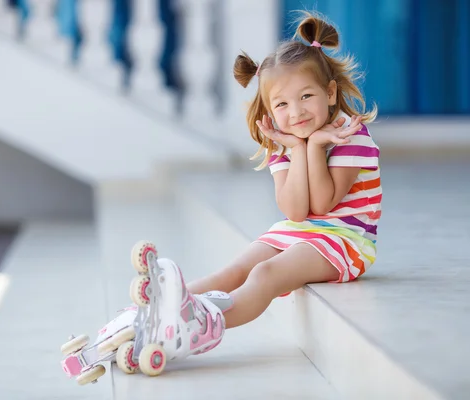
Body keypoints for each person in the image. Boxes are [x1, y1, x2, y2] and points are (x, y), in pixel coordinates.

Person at [66, 10, 382, 376]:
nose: (295, 113)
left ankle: (195, 326)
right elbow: (295, 212)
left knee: (265, 274)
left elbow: (324, 204)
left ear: (330, 93)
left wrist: (310, 149)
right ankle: (150, 313)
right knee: (234, 270)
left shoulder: (350, 136)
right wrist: (297, 148)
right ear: (269, 109)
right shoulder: (284, 141)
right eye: (282, 104)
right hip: (302, 230)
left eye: (306, 96)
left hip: (345, 240)